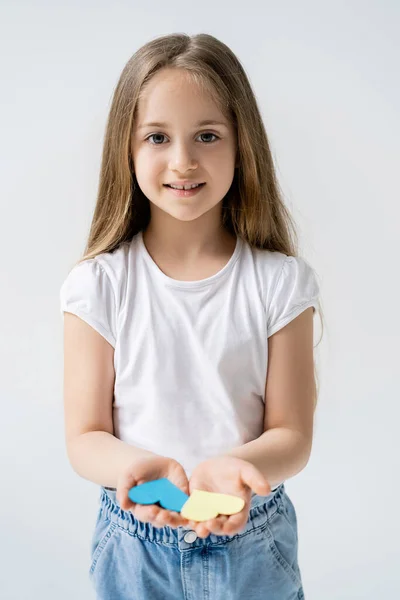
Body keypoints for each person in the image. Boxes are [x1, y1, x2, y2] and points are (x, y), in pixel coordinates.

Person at [60, 32, 323, 600]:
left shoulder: (280, 283)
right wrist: (139, 467)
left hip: (255, 541)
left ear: (242, 144)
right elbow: (84, 437)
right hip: (133, 549)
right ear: (126, 151)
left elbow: (293, 434)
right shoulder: (97, 285)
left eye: (208, 135)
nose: (184, 161)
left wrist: (237, 468)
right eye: (157, 137)